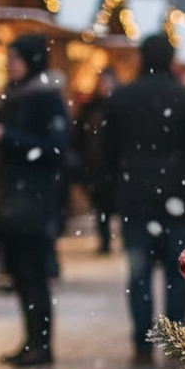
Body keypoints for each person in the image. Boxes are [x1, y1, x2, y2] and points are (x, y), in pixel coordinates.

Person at [101, 34, 185, 365]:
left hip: (135, 197)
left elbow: (105, 153)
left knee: (139, 276)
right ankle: (175, 341)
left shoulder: (121, 99)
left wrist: (112, 192)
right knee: (177, 274)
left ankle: (142, 345)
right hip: (175, 198)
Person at [0, 33, 69, 367]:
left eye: (15, 58)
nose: (9, 64)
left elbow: (56, 148)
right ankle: (32, 340)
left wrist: (7, 137)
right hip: (14, 199)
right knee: (20, 273)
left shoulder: (44, 97)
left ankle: (41, 345)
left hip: (31, 200)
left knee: (33, 275)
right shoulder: (17, 94)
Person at [70, 69, 116, 253]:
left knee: (110, 204)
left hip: (112, 165)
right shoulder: (90, 108)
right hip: (96, 164)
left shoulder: (116, 106)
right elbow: (78, 137)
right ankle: (105, 238)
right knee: (101, 206)